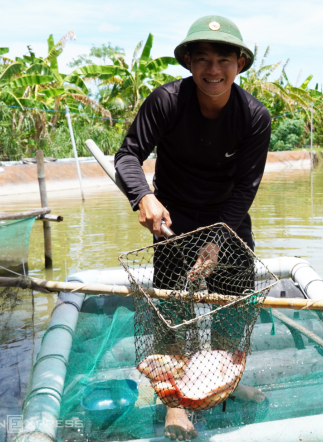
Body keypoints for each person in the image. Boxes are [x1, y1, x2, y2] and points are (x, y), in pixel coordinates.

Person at [114, 15, 270, 441]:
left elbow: (246, 187)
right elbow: (127, 156)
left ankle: (224, 385)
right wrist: (143, 196)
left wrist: (219, 240)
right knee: (172, 315)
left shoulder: (254, 116)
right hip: (174, 223)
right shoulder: (166, 101)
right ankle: (177, 405)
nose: (213, 69)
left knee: (233, 310)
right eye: (201, 58)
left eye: (223, 59)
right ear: (187, 62)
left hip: (230, 221)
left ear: (239, 63)